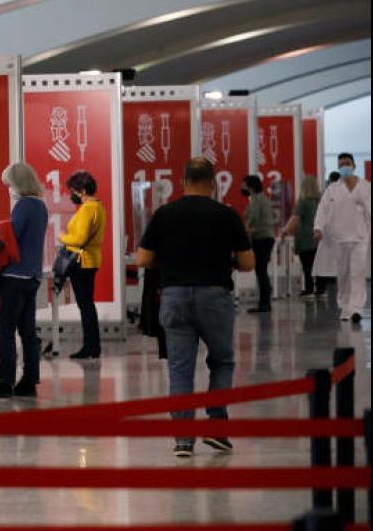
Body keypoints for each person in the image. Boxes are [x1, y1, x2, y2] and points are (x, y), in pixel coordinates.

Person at [137, 158, 255, 458]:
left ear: (183, 181)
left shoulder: (165, 214)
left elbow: (143, 259)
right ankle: (216, 428)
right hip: (214, 296)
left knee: (180, 368)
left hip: (174, 297)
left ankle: (183, 440)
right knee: (221, 362)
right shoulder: (226, 215)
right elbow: (248, 263)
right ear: (213, 182)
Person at [0, 163, 48, 399]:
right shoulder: (40, 206)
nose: (8, 189)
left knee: (6, 330)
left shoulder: (23, 206)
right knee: (28, 331)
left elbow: (11, 238)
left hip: (14, 276)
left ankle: (5, 382)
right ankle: (29, 379)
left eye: (9, 184)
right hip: (33, 275)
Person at [313, 152, 371, 322]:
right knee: (343, 275)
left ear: (354, 165)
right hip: (339, 239)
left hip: (360, 238)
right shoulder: (332, 189)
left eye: (347, 163)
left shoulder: (365, 186)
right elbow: (322, 210)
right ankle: (345, 308)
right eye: (341, 164)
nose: (344, 166)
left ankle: (356, 310)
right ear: (338, 167)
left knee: (358, 274)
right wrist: (318, 228)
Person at [59, 171, 106, 360]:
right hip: (91, 260)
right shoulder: (98, 206)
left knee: (85, 306)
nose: (72, 194)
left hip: (81, 262)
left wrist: (62, 237)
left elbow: (79, 239)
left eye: (73, 191)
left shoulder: (87, 209)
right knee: (87, 305)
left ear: (82, 190)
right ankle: (92, 346)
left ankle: (90, 347)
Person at [281, 175, 322, 298]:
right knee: (318, 266)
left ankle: (309, 290)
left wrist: (285, 230)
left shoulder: (303, 202)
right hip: (318, 238)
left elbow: (295, 218)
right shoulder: (319, 201)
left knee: (307, 266)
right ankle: (320, 289)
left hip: (305, 238)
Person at [241, 174, 275, 313]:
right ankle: (265, 301)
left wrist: (245, 231)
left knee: (260, 271)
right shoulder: (263, 199)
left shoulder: (255, 200)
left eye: (243, 184)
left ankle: (265, 303)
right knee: (262, 271)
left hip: (261, 238)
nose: (241, 187)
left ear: (250, 186)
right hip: (266, 237)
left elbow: (253, 219)